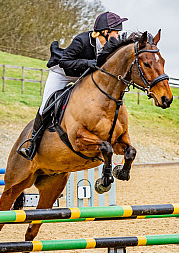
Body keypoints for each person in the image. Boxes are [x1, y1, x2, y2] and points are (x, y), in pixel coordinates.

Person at [17, 11, 128, 160]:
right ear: (105, 32)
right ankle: (32, 144)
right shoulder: (82, 40)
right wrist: (88, 63)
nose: (117, 36)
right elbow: (65, 61)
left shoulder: (111, 44)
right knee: (45, 106)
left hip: (85, 76)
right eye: (116, 32)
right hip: (63, 73)